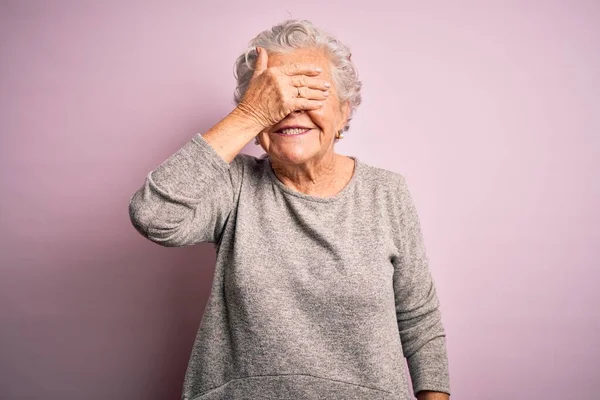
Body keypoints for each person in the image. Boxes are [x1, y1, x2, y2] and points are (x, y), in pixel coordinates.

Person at [128, 19, 450, 400]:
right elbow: (153, 215)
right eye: (277, 98)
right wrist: (249, 115)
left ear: (344, 113)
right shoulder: (235, 185)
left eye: (310, 94)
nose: (291, 110)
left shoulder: (386, 191)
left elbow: (419, 318)